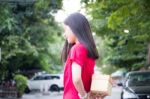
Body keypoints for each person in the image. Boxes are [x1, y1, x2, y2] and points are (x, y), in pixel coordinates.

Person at [61, 12, 106, 99]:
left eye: (65, 29)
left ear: (74, 28)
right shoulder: (87, 50)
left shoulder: (77, 48)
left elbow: (77, 79)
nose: (64, 34)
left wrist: (84, 96)